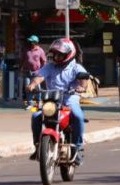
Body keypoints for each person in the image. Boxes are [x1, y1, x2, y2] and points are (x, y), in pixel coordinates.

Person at [26, 38, 89, 166]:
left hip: (69, 101)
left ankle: (77, 148)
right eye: (55, 54)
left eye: (60, 54)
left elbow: (84, 79)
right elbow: (40, 77)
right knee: (36, 116)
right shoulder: (49, 67)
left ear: (68, 54)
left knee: (78, 117)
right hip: (51, 101)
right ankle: (38, 147)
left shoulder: (76, 67)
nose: (57, 57)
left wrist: (81, 87)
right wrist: (32, 85)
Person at [20, 35, 46, 109]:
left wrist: (43, 70)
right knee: (28, 87)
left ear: (35, 42)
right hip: (27, 72)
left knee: (37, 88)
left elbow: (44, 61)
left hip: (37, 72)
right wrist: (20, 67)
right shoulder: (26, 50)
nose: (30, 43)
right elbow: (22, 59)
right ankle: (30, 103)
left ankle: (39, 103)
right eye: (30, 41)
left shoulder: (40, 50)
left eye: (31, 42)